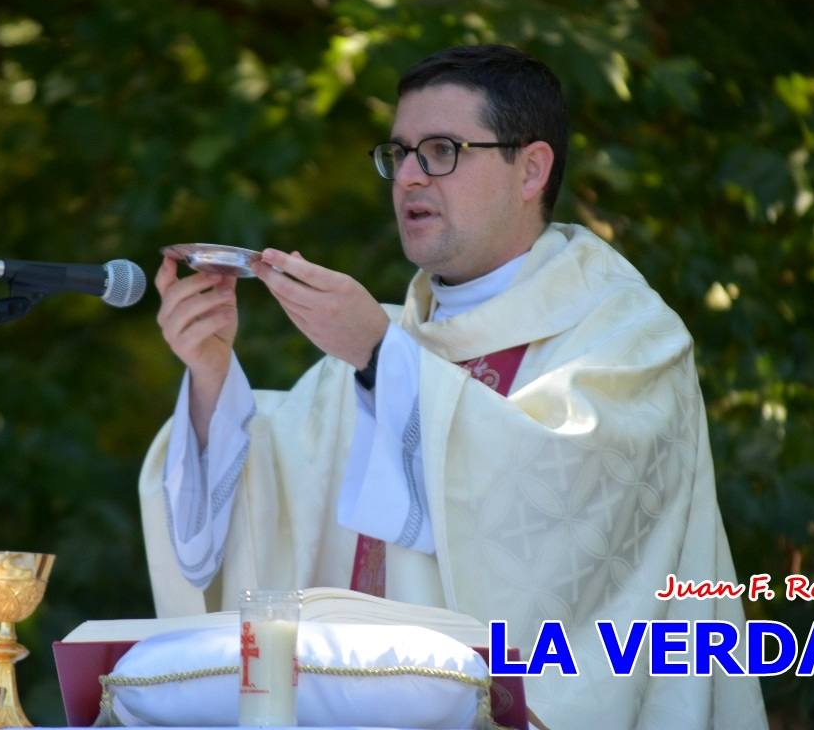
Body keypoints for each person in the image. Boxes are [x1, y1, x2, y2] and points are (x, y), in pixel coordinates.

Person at [139, 44, 768, 729]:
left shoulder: (624, 336)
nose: (408, 176)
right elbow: (250, 520)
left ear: (530, 169)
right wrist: (209, 374)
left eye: (440, 150)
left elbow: (564, 513)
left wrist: (380, 356)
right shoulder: (375, 354)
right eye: (399, 153)